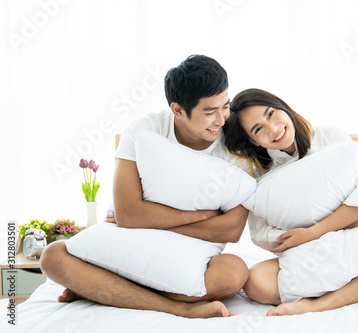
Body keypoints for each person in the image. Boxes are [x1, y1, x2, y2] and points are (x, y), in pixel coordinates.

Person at [40, 55, 250, 318]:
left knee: (234, 273)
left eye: (225, 106)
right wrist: (203, 216)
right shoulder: (143, 130)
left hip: (189, 248)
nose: (221, 119)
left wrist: (148, 216)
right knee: (52, 257)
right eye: (209, 112)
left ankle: (100, 287)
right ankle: (178, 308)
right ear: (178, 110)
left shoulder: (237, 143)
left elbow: (231, 230)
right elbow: (128, 216)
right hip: (130, 237)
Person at [223, 88, 358, 316]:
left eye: (271, 114)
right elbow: (261, 233)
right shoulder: (261, 174)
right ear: (253, 141)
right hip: (310, 250)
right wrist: (298, 235)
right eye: (258, 129)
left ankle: (320, 303)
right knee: (255, 282)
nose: (273, 129)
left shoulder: (331, 137)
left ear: (283, 107)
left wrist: (317, 230)